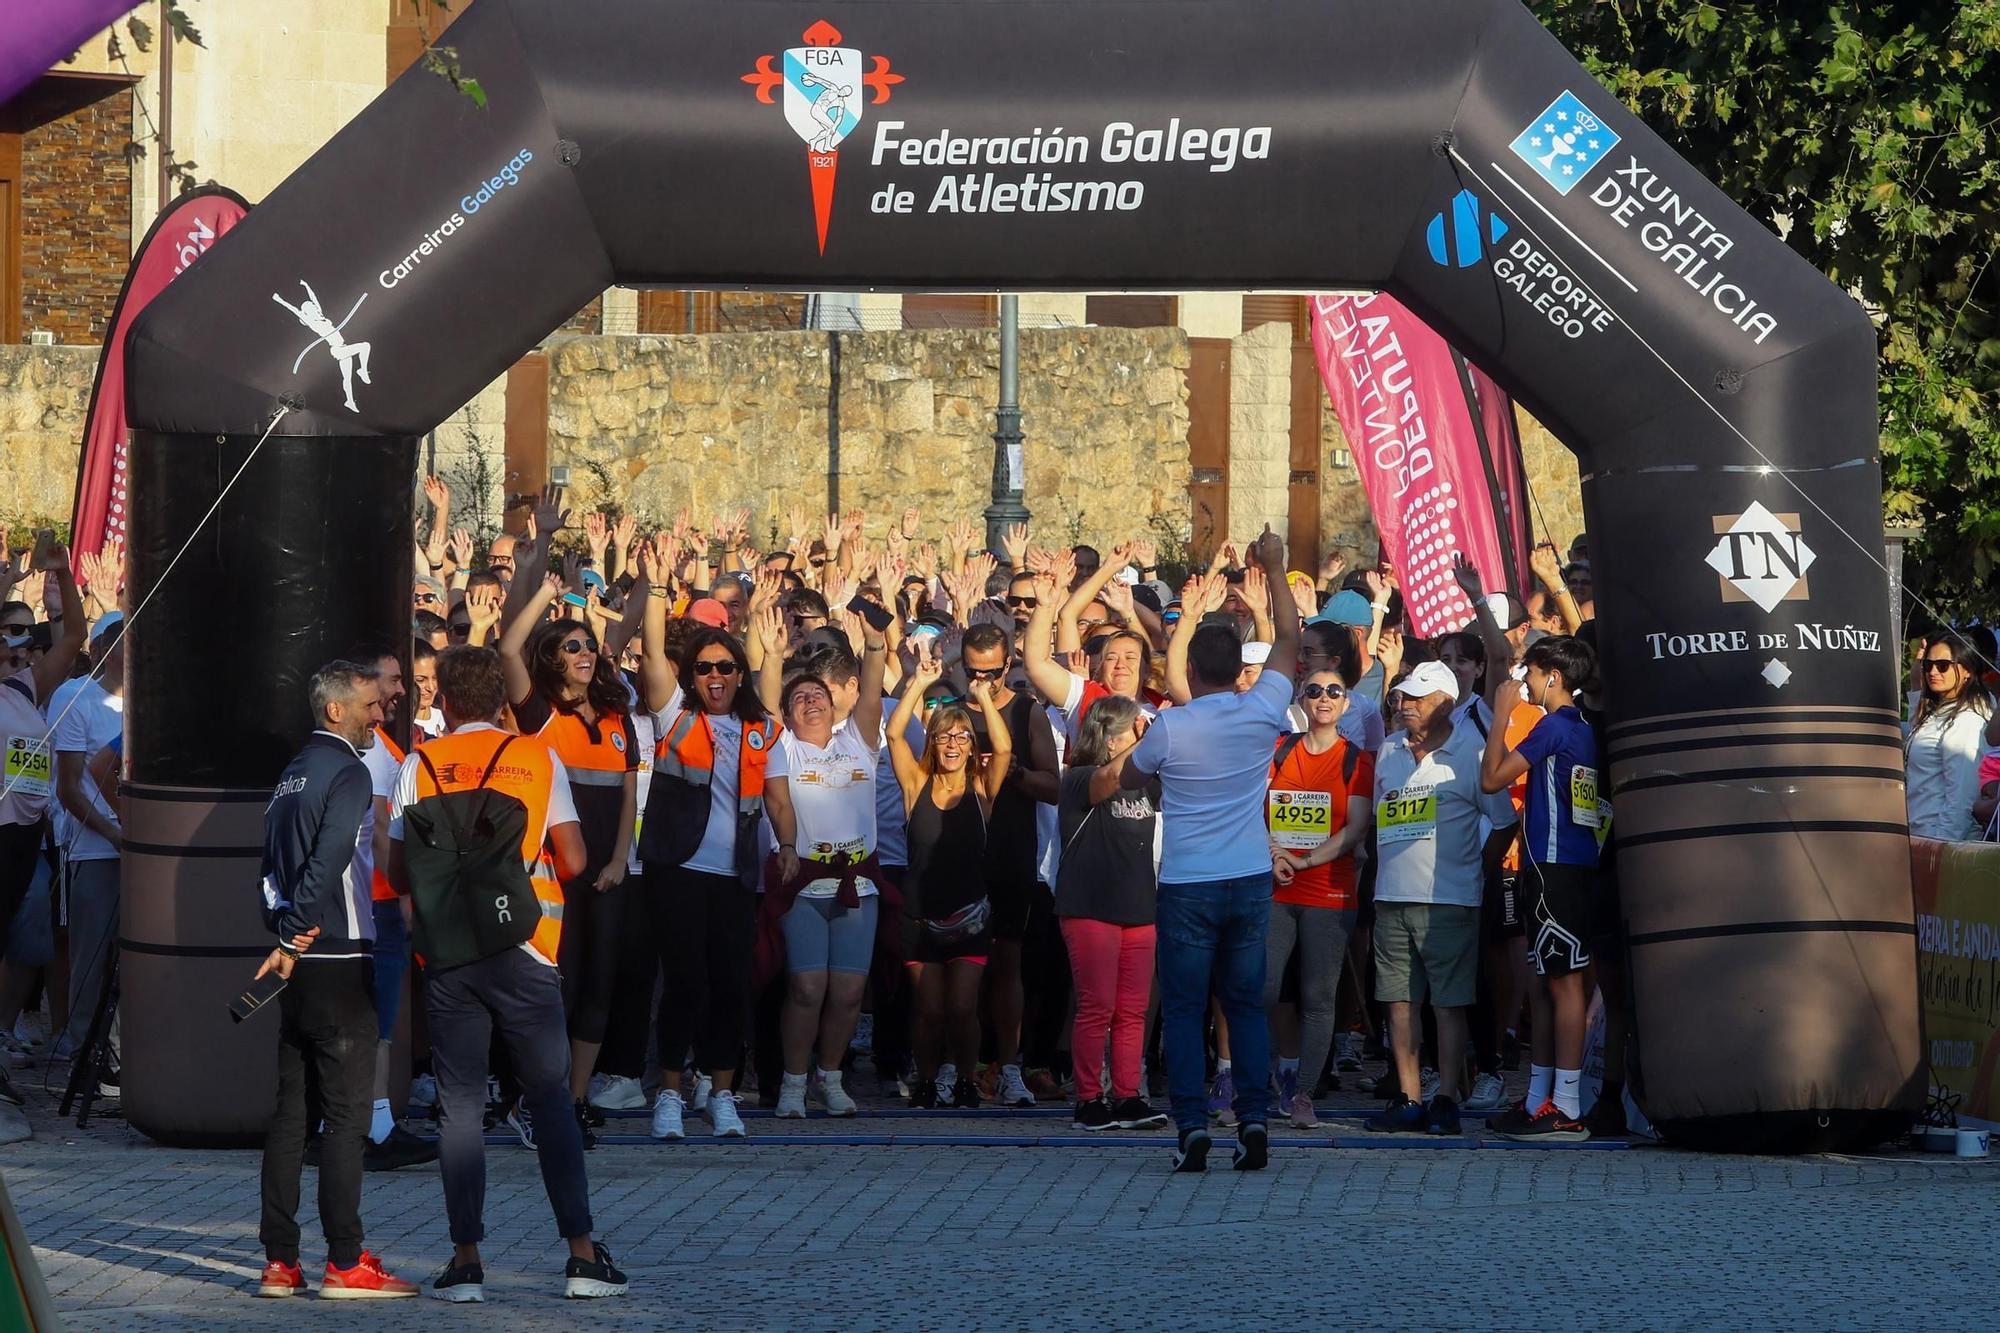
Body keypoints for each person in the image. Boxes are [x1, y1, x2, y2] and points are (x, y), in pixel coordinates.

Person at [385, 646, 627, 1303]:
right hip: (527, 948)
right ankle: (581, 1254)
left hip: (448, 954)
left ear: (447, 703)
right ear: (498, 700)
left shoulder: (416, 764)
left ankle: (465, 1260)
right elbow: (574, 857)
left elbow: (399, 870)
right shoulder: (537, 757)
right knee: (550, 1096)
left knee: (460, 1105)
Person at [1123, 527, 1299, 1173]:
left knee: (1187, 1009)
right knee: (1246, 1004)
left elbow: (1133, 777)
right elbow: (1288, 638)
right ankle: (1253, 1117)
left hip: (1189, 881)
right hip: (1250, 876)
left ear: (1191, 669)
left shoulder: (1170, 724)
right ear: (1236, 669)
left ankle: (1193, 1127)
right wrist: (1275, 569)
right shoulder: (1263, 710)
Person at [255, 660, 418, 1300]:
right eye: (370, 707)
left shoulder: (292, 772)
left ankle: (279, 1261)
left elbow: (267, 865)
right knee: (347, 1119)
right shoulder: (347, 771)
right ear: (335, 712)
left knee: (292, 1115)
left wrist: (279, 930)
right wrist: (296, 933)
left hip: (296, 962)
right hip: (337, 956)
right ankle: (346, 1262)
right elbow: (323, 862)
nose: (381, 717)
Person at [500, 574, 639, 1143]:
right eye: (572, 646)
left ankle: (575, 1099)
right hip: (552, 877)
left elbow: (630, 797)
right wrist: (545, 588)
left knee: (598, 988)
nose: (585, 653)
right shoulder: (538, 715)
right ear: (553, 661)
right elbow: (509, 648)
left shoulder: (616, 715)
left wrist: (618, 861)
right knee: (557, 987)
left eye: (588, 645)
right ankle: (538, 1099)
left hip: (608, 874)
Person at [637, 572, 772, 1139]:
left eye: (725, 668)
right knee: (685, 984)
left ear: (739, 674)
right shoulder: (675, 716)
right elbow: (649, 651)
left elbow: (777, 798)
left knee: (729, 987)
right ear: (690, 675)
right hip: (681, 871)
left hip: (737, 875)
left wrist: (786, 846)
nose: (715, 677)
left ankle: (721, 1093)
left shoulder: (757, 727)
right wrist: (659, 596)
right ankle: (669, 1093)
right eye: (704, 668)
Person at [1364, 660, 1517, 1136]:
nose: (1404, 704)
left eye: (1416, 698)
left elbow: (1505, 822)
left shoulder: (1473, 751)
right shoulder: (1387, 749)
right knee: (1398, 1002)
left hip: (1449, 899)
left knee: (1448, 1005)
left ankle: (1446, 1097)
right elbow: (1377, 818)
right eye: (1402, 696)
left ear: (1446, 704)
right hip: (1391, 895)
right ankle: (1410, 1098)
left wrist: (1475, 873)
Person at [1480, 633, 1603, 1141]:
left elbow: (1491, 778)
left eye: (1529, 672)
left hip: (1559, 867)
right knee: (1544, 984)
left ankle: (1568, 1107)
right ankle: (1539, 1099)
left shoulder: (1557, 726)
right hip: (1552, 867)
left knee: (1565, 984)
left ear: (1553, 676)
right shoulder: (1579, 726)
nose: (1523, 681)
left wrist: (1501, 714)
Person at [762, 627, 888, 1118]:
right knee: (807, 987)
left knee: (850, 990)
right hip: (805, 885)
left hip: (859, 885)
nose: (810, 702)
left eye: (817, 694)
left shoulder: (858, 742)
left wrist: (875, 647)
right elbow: (767, 708)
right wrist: (774, 658)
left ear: (835, 704)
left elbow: (873, 691)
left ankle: (830, 1078)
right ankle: (794, 1084)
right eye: (799, 698)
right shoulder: (783, 748)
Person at [886, 645, 1013, 1108]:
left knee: (962, 1009)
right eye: (945, 737)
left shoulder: (982, 789)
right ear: (933, 743)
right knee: (929, 1010)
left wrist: (979, 697)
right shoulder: (916, 784)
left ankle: (964, 1078)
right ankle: (924, 1080)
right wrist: (918, 682)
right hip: (920, 918)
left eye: (962, 737)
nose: (954, 745)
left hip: (971, 917)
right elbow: (895, 734)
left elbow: (1002, 749)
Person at [1263, 669, 1373, 1129]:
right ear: (1301, 701)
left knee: (1317, 996)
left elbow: (1356, 828)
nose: (1323, 697)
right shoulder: (1280, 750)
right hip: (1275, 887)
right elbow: (1253, 805)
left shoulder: (1357, 760)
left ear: (1346, 704)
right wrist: (1272, 851)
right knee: (1263, 990)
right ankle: (1274, 1076)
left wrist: (1303, 861)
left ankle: (1305, 1092)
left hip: (1328, 888)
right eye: (1314, 690)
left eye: (1334, 691)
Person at [958, 622, 1060, 1108]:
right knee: (961, 965)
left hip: (1012, 850)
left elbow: (1055, 786)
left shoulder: (1027, 711)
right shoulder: (952, 715)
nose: (982, 683)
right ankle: (966, 1065)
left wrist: (1012, 769)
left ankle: (1009, 1062)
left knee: (1009, 962)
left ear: (1010, 663)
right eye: (972, 672)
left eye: (992, 673)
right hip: (962, 855)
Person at [346, 643, 439, 1172]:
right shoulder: (374, 750)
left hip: (367, 903)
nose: (402, 691)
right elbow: (382, 829)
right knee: (377, 1019)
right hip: (378, 904)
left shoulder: (374, 743)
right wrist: (405, 895)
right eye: (393, 680)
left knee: (370, 1018)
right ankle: (376, 1126)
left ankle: (354, 1121)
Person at [1055, 694, 1167, 1131]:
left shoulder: (1146, 781)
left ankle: (1126, 1094)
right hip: (1090, 906)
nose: (1141, 736)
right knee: (1097, 1006)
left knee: (1133, 1009)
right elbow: (1106, 781)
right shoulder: (1079, 777)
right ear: (1106, 734)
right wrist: (1147, 740)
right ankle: (1088, 1097)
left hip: (1139, 906)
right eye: (1132, 729)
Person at [52, 612, 125, 1085]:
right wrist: (117, 833)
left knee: (135, 958)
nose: (124, 650)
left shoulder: (148, 702)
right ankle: (80, 1053)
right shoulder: (75, 700)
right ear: (99, 649)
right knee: (90, 959)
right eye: (115, 641)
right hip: (93, 851)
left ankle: (118, 1055)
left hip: (141, 855)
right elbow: (70, 788)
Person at [1, 536, 81, 962]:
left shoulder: (23, 689)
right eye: (5, 631)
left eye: (17, 635)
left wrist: (63, 574)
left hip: (25, 834)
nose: (12, 640)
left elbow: (73, 636)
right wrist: (9, 585)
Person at [1905, 633, 1991, 841]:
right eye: (1928, 665)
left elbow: (1962, 799)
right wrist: (1917, 685)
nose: (1933, 672)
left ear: (1967, 670)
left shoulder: (1967, 721)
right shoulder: (1941, 711)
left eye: (1943, 665)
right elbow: (1920, 735)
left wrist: (1940, 848)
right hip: (1920, 836)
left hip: (1941, 841)